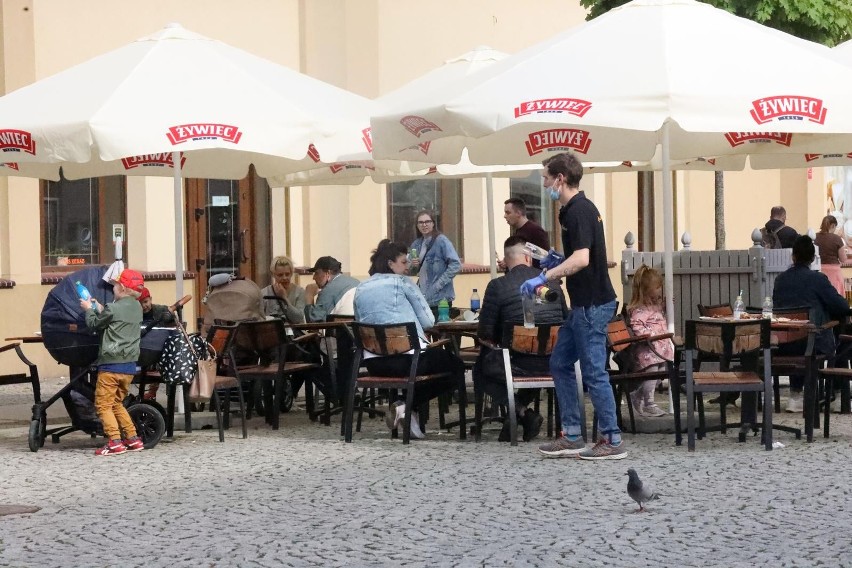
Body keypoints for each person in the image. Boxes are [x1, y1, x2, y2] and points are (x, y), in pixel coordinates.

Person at [523, 152, 626, 460]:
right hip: (583, 304)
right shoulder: (572, 210)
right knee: (559, 363)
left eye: (545, 178)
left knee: (594, 372)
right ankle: (571, 435)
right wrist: (557, 259)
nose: (543, 184)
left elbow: (582, 259)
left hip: (590, 305)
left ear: (560, 179)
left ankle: (612, 438)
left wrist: (545, 276)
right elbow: (581, 255)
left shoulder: (578, 211)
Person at [354, 239, 464, 439]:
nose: (407, 267)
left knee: (431, 365)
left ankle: (407, 412)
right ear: (390, 264)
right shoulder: (403, 283)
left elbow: (360, 322)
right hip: (407, 360)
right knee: (455, 366)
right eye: (404, 262)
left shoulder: (361, 288)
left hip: (374, 363)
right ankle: (406, 406)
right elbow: (429, 320)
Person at [475, 236, 568, 442]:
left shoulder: (498, 286)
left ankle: (522, 413)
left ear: (507, 261)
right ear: (528, 258)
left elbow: (485, 332)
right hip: (553, 360)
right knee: (520, 361)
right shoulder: (552, 283)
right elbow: (564, 319)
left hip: (516, 361)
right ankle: (521, 415)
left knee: (482, 369)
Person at [773, 235, 851, 413]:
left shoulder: (780, 280)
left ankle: (795, 395)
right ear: (812, 258)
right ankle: (838, 395)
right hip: (814, 344)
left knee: (799, 336)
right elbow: (842, 306)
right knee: (841, 343)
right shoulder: (818, 280)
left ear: (793, 256)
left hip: (785, 343)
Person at [80, 268, 146, 456]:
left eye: (115, 285)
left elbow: (94, 324)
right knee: (117, 403)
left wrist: (89, 310)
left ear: (123, 288)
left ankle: (114, 441)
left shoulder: (114, 308)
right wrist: (101, 309)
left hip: (110, 364)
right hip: (129, 366)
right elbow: (115, 318)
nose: (113, 288)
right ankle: (133, 438)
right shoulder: (137, 307)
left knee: (103, 405)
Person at [625, 265, 674, 418]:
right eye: (657, 288)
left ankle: (637, 395)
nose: (660, 291)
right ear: (646, 291)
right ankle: (649, 403)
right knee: (652, 375)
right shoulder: (639, 310)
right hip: (649, 350)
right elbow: (637, 326)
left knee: (660, 376)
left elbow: (659, 316)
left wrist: (666, 306)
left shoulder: (655, 306)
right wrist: (650, 335)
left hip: (661, 350)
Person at [409, 210, 462, 314]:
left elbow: (456, 265)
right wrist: (413, 266)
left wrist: (439, 284)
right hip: (424, 299)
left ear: (433, 223)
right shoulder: (416, 244)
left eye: (427, 221)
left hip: (440, 299)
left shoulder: (441, 241)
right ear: (417, 225)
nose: (424, 225)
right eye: (421, 222)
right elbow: (412, 271)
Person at [304, 256, 359, 323]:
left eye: (316, 273)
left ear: (327, 273)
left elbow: (314, 322)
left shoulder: (327, 290)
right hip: (362, 329)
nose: (314, 277)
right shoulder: (356, 282)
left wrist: (309, 296)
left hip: (344, 331)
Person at [502, 198, 550, 269]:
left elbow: (544, 258)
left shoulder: (535, 231)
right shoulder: (518, 231)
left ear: (518, 213)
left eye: (508, 213)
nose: (505, 216)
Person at [262, 255, 306, 324]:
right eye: (280, 275)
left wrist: (284, 298)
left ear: (291, 273)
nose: (284, 278)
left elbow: (298, 318)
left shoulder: (299, 292)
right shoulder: (264, 293)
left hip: (295, 332)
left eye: (287, 274)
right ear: (273, 275)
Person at [815, 215, 848, 296]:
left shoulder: (815, 237)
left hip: (818, 271)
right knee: (836, 296)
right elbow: (843, 259)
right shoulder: (837, 238)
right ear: (833, 225)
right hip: (834, 272)